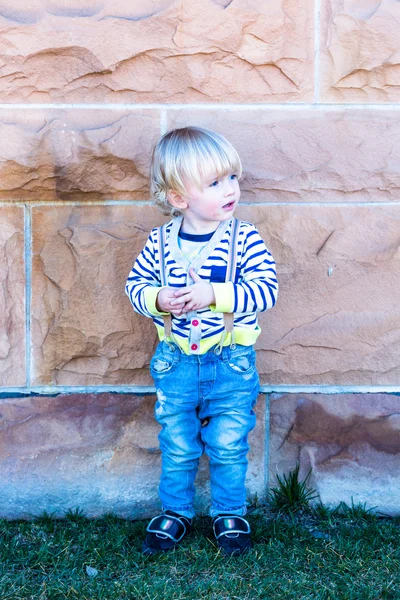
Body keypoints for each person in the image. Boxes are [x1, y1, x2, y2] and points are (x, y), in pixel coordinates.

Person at [125, 126, 278, 556]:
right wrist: (158, 299)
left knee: (229, 442)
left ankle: (230, 513)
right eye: (214, 183)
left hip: (231, 362)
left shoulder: (243, 239)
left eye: (232, 178)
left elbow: (267, 290)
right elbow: (134, 287)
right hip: (175, 363)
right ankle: (175, 511)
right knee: (176, 440)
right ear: (178, 198)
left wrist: (216, 294)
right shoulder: (159, 244)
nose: (230, 189)